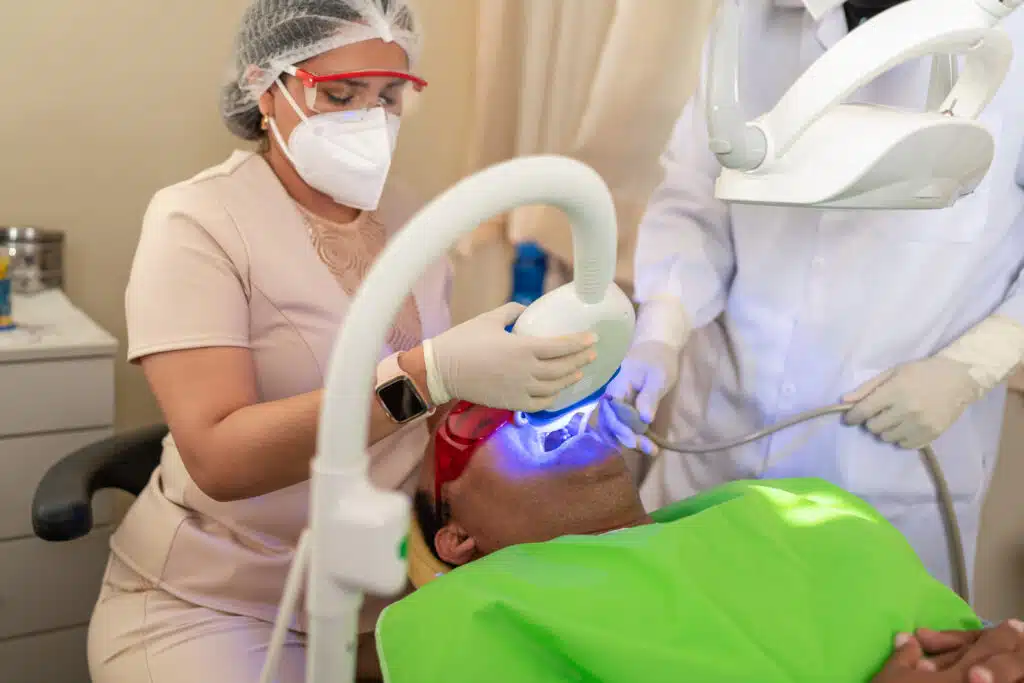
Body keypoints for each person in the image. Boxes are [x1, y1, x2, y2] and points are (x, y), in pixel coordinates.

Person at [86, 2, 598, 682]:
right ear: (267, 88)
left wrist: (530, 392)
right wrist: (426, 375)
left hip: (382, 599)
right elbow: (218, 456)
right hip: (216, 605)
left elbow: (430, 417)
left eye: (388, 96)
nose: (369, 118)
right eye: (338, 94)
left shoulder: (413, 218)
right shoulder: (198, 220)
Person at [605, 0, 1024, 591]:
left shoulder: (1013, 39)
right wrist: (662, 329)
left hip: (887, 480)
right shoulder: (750, 19)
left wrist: (970, 367)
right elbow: (696, 196)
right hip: (717, 449)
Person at [396, 399, 1024, 683]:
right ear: (458, 539)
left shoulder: (796, 504)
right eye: (478, 419)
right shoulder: (475, 613)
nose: (529, 413)